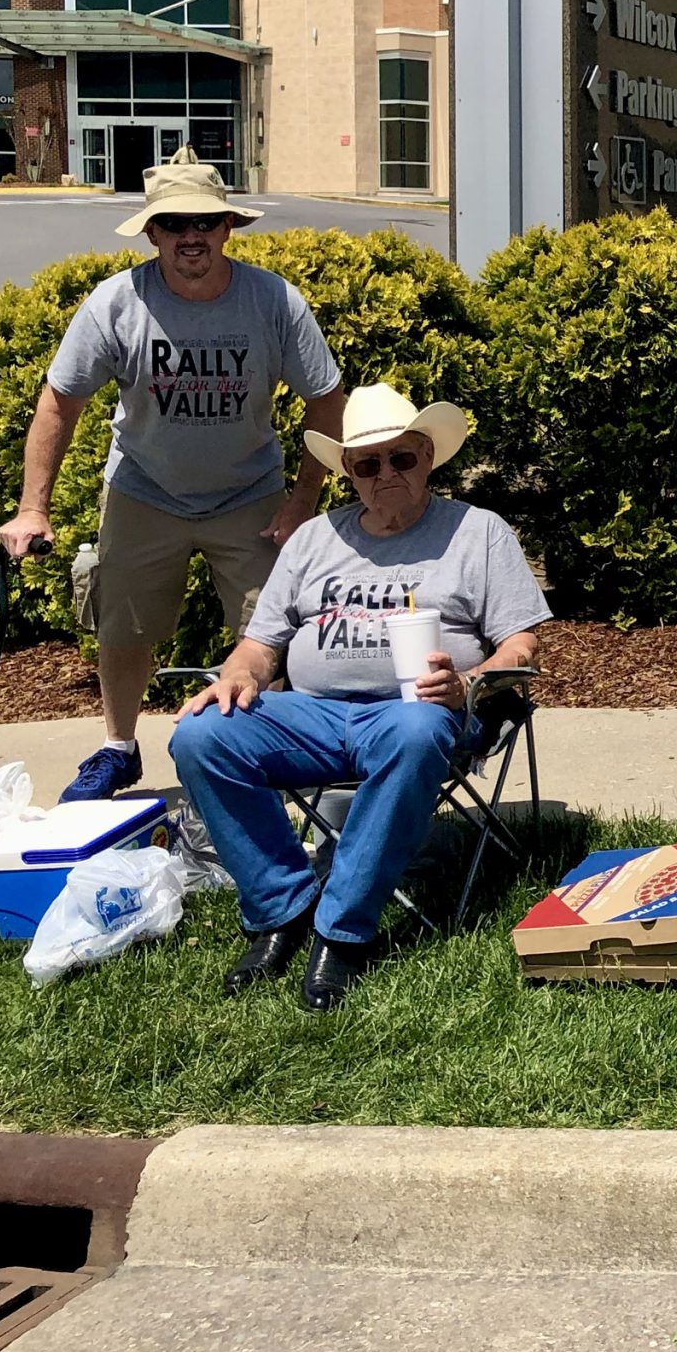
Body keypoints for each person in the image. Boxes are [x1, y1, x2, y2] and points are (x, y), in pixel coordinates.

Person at [168, 385, 548, 1010]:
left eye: (402, 459)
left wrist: (467, 683)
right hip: (314, 713)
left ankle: (341, 932)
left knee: (414, 731)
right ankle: (280, 909)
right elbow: (261, 643)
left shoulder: (478, 532)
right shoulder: (315, 538)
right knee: (202, 735)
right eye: (368, 465)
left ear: (428, 456)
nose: (386, 475)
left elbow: (523, 646)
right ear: (348, 472)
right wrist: (237, 673)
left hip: (425, 711)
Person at [0, 147, 346, 804]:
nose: (191, 237)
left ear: (228, 228)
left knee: (267, 632)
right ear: (152, 231)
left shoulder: (273, 302)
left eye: (205, 223)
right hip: (144, 490)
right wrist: (32, 508)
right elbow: (59, 402)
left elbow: (326, 400)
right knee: (123, 628)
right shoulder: (116, 303)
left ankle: (261, 760)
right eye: (175, 223)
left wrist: (303, 499)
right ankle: (118, 748)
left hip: (249, 492)